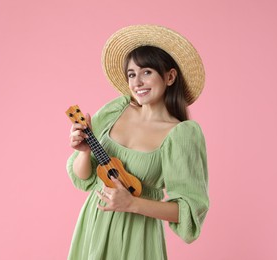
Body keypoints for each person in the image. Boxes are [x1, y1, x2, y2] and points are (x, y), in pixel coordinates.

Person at [66, 24, 209, 260]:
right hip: (94, 223)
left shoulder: (181, 134)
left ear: (170, 76)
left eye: (147, 72)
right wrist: (83, 151)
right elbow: (85, 179)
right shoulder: (117, 109)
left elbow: (187, 211)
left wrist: (131, 203)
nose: (137, 82)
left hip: (137, 236)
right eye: (132, 74)